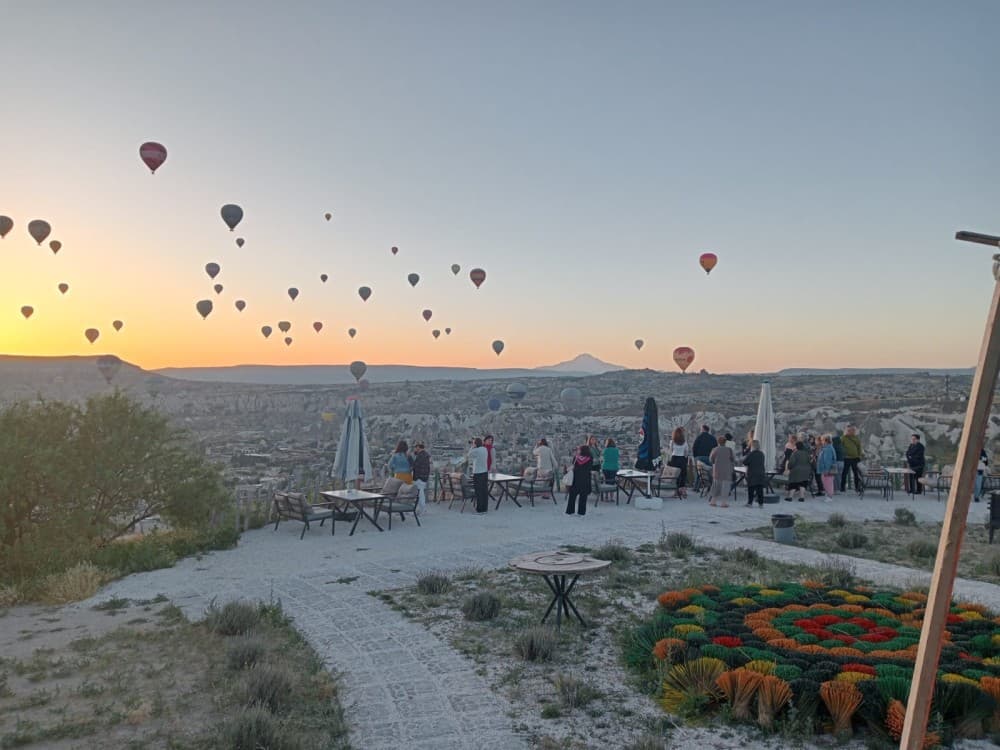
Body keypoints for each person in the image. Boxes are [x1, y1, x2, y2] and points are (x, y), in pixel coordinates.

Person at [566, 445, 592, 516]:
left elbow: (573, 466)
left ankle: (570, 511)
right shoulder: (590, 458)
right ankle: (581, 512)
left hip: (576, 479)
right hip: (585, 479)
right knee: (583, 497)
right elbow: (590, 468)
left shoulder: (576, 458)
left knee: (572, 496)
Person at [709, 438, 735, 508]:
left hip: (717, 470)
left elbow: (711, 459)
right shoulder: (729, 450)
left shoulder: (715, 449)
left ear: (718, 442)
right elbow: (733, 459)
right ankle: (723, 503)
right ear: (725, 442)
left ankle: (713, 501)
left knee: (716, 485)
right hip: (727, 470)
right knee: (726, 486)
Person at [467, 438, 489, 514]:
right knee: (484, 491)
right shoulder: (485, 449)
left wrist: (472, 447)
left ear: (476, 444)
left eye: (474, 443)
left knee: (478, 491)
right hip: (485, 473)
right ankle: (485, 508)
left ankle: (479, 510)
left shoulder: (476, 450)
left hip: (478, 473)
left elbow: (469, 455)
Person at [667, 427, 689, 499]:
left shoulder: (672, 442)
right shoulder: (685, 442)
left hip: (674, 459)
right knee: (683, 474)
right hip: (682, 459)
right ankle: (683, 491)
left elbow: (670, 451)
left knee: (675, 475)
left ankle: (676, 492)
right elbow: (686, 452)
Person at [743, 440, 766, 507]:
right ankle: (761, 503)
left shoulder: (751, 454)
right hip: (761, 472)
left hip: (752, 473)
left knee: (751, 488)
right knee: (760, 489)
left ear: (752, 446)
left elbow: (745, 462)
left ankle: (750, 503)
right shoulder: (762, 454)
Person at [840, 425, 864, 492]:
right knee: (844, 473)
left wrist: (859, 455)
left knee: (856, 473)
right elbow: (840, 446)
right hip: (846, 458)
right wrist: (844, 453)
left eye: (853, 430)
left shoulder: (856, 438)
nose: (852, 431)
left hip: (855, 458)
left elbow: (859, 447)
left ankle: (857, 487)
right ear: (847, 431)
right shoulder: (843, 438)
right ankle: (842, 487)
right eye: (850, 430)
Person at [816, 435, 837, 501]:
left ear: (825, 441)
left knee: (828, 482)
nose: (821, 441)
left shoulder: (828, 448)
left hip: (827, 469)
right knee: (826, 482)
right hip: (825, 469)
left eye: (822, 440)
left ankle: (829, 496)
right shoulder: (827, 447)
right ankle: (828, 495)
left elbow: (827, 460)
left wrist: (826, 470)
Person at [411, 442, 431, 512]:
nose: (415, 449)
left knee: (420, 493)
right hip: (423, 476)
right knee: (420, 492)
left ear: (418, 447)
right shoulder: (425, 455)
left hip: (419, 477)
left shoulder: (421, 456)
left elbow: (415, 465)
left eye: (415, 447)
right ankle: (422, 508)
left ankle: (422, 508)